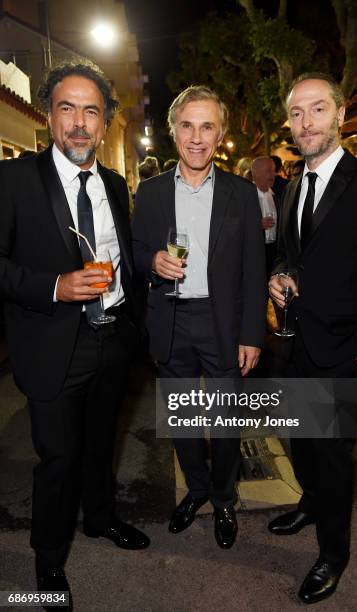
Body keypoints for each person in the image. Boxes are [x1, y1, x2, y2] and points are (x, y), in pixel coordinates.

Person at [0, 60, 150, 607]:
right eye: (68, 108)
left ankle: (101, 519)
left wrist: (135, 317)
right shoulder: (13, 180)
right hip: (52, 343)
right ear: (49, 115)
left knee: (100, 444)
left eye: (91, 110)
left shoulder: (113, 183)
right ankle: (48, 559)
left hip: (112, 338)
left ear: (106, 120)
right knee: (58, 459)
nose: (79, 123)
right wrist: (55, 287)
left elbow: (121, 257)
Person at [268, 72, 357, 604]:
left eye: (317, 110)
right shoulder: (293, 183)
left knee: (332, 456)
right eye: (297, 114)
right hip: (296, 342)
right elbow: (289, 254)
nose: (306, 123)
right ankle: (310, 503)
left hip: (341, 352)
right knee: (301, 442)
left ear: (341, 115)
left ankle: (334, 555)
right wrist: (278, 276)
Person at [132, 85, 266, 549]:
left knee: (227, 421)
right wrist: (151, 260)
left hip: (222, 321)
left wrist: (252, 333)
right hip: (170, 320)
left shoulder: (242, 194)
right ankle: (197, 489)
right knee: (185, 421)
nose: (196, 136)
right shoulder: (148, 194)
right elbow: (131, 255)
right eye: (187, 125)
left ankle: (225, 499)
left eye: (207, 126)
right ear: (173, 132)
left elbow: (254, 269)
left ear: (220, 133)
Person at [251, 156, 279, 278]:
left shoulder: (276, 195)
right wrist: (257, 225)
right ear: (256, 173)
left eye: (273, 170)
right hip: (254, 252)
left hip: (273, 252)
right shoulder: (245, 196)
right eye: (268, 171)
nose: (273, 174)